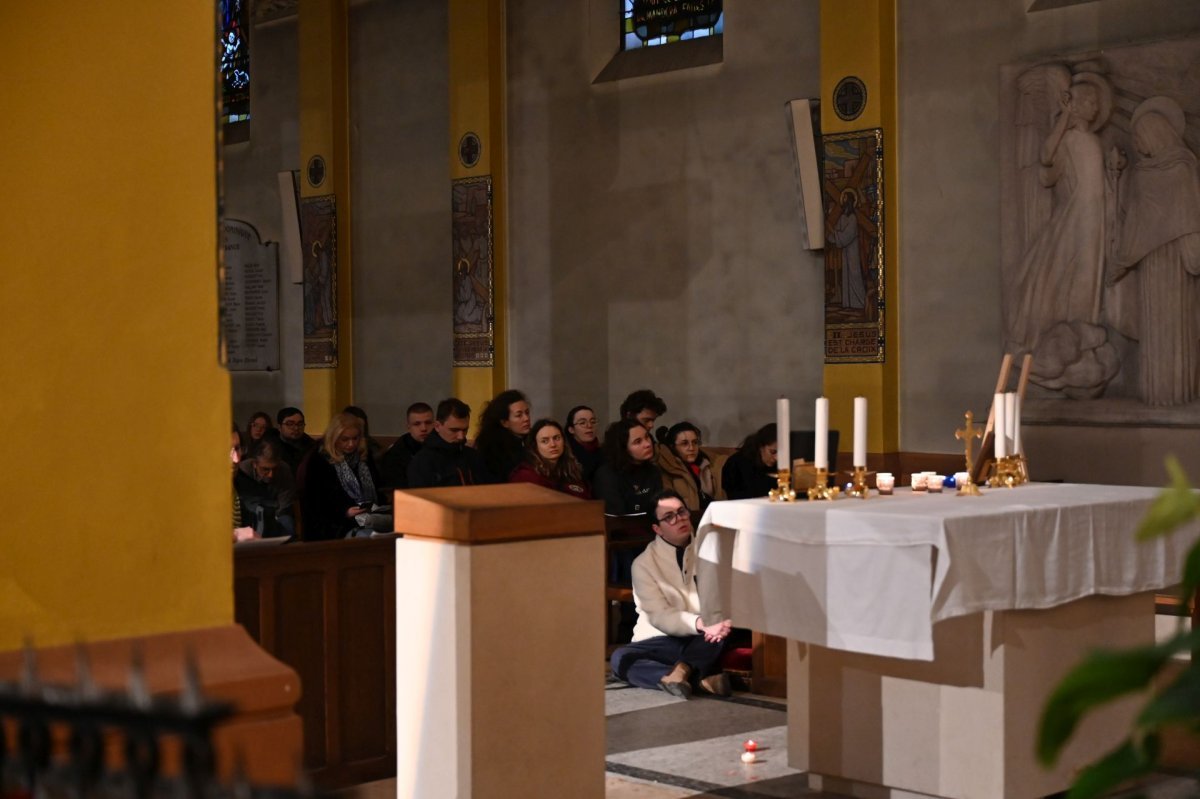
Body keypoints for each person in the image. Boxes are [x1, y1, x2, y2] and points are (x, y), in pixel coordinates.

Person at [1109, 96, 1200, 406]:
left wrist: (1191, 251)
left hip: (1176, 266)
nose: (1137, 144)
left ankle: (1178, 393)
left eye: (1140, 137)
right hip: (1151, 267)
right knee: (1156, 330)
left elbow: (1190, 217)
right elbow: (1131, 215)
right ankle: (1156, 394)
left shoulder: (1183, 168)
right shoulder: (1141, 174)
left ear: (1155, 133)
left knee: (1177, 330)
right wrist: (1117, 177)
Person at [609, 490, 733, 699]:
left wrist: (714, 622)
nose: (680, 519)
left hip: (704, 636)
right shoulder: (643, 564)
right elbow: (659, 615)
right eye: (669, 517)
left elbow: (726, 595)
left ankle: (682, 672)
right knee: (620, 657)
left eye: (681, 511)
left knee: (721, 633)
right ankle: (689, 678)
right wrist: (700, 622)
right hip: (664, 639)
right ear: (657, 529)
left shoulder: (711, 550)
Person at [297, 413, 387, 541]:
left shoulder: (364, 456)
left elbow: (378, 488)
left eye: (355, 438)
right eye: (345, 439)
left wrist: (376, 508)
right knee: (366, 537)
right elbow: (316, 502)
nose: (351, 444)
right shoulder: (319, 459)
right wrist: (345, 511)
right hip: (335, 523)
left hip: (368, 516)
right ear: (334, 438)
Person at [407, 398, 493, 487]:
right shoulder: (422, 462)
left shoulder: (474, 456)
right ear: (437, 426)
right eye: (454, 430)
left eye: (465, 430)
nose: (461, 436)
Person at [593, 418, 662, 516]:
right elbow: (616, 517)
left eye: (647, 437)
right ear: (623, 448)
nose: (647, 444)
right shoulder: (607, 475)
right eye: (638, 442)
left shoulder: (653, 471)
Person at [509, 419, 591, 498]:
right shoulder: (525, 476)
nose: (553, 444)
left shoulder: (573, 472)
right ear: (535, 446)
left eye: (556, 438)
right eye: (545, 441)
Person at [655, 421, 722, 512]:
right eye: (684, 443)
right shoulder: (667, 468)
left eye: (695, 442)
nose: (691, 448)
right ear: (672, 447)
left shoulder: (708, 463)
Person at [233, 441, 296, 538]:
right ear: (255, 464)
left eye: (274, 469)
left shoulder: (284, 470)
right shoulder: (244, 470)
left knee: (287, 523)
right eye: (265, 469)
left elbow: (284, 505)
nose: (271, 474)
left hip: (277, 512)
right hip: (251, 513)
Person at [473, 389, 532, 481]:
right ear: (505, 422)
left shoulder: (534, 440)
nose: (526, 418)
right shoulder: (492, 451)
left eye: (527, 413)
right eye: (519, 415)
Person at [379, 402, 435, 490]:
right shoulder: (396, 454)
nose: (424, 428)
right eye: (417, 424)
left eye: (428, 423)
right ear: (408, 426)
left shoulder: (443, 447)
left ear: (435, 424)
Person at [721, 423, 778, 500]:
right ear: (760, 447)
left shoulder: (783, 464)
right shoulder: (736, 463)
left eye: (782, 453)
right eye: (773, 452)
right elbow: (734, 498)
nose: (777, 458)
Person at [565, 405, 603, 481]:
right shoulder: (567, 454)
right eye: (582, 423)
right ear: (571, 429)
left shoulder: (604, 452)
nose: (589, 426)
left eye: (593, 422)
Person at [276, 406, 317, 475]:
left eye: (300, 424)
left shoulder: (312, 447)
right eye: (290, 424)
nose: (296, 428)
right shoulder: (270, 447)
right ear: (279, 427)